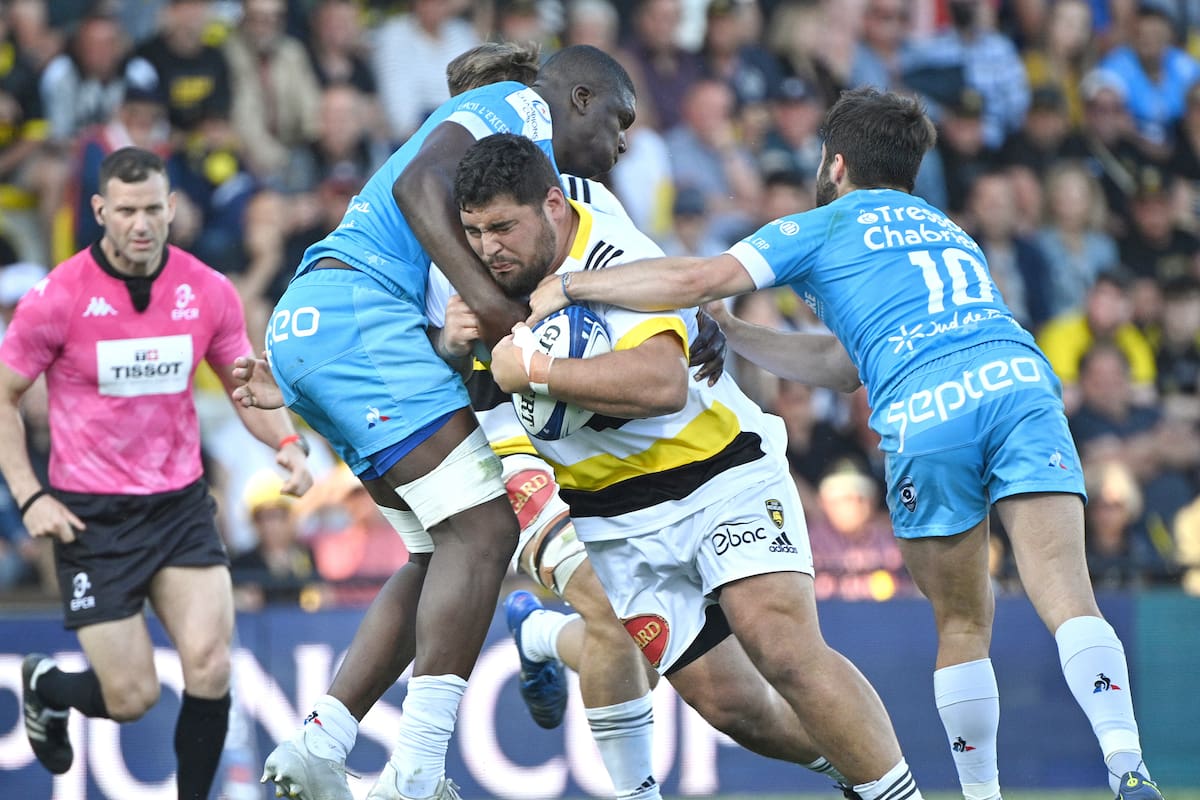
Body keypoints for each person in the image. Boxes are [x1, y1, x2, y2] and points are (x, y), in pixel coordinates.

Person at [526, 85, 1166, 800]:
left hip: (928, 406)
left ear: (833, 164)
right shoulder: (947, 228)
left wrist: (575, 286)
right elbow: (846, 363)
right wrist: (736, 335)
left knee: (962, 623)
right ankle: (1127, 764)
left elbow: (699, 278)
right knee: (1068, 593)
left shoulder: (822, 224)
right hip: (1018, 378)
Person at [474, 132, 926, 800]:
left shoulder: (610, 249)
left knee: (780, 643)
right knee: (733, 707)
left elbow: (662, 384)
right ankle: (863, 773)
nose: (489, 247)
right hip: (609, 514)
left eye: (502, 228)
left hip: (717, 471)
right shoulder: (460, 262)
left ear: (552, 204)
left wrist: (537, 370)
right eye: (476, 232)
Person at [253, 44, 636, 800]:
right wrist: (501, 314)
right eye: (620, 120)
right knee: (486, 531)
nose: (623, 141)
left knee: (440, 554)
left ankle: (321, 741)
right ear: (580, 97)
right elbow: (416, 183)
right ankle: (417, 772)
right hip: (355, 320)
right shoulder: (520, 107)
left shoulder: (505, 202)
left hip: (330, 326)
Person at [0, 146, 312, 800]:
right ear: (99, 211)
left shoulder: (208, 290)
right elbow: (4, 395)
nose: (140, 224)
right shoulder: (58, 297)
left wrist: (285, 440)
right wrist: (29, 496)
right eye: (125, 211)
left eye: (151, 209)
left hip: (179, 506)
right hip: (92, 516)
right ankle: (48, 687)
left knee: (211, 665)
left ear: (171, 208)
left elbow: (242, 385)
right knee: (132, 696)